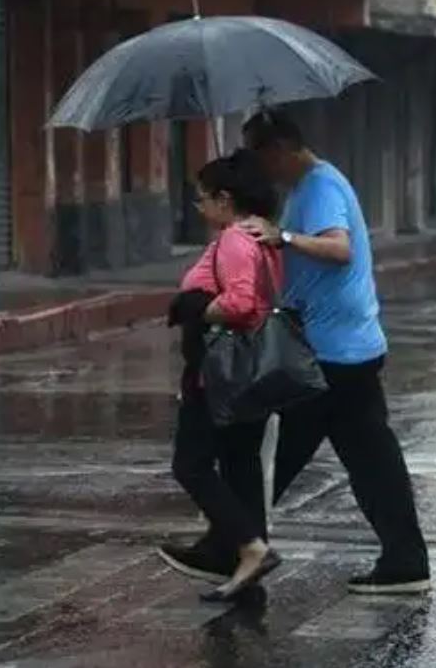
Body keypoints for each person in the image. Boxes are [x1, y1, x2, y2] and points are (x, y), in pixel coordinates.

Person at [240, 112, 431, 594]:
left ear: (279, 148)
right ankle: (405, 562)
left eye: (260, 159)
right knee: (370, 461)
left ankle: (235, 542)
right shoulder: (308, 188)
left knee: (271, 450)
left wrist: (281, 236)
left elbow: (338, 248)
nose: (262, 172)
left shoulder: (320, 185)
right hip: (344, 349)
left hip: (332, 354)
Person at [158, 151, 285, 601]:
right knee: (240, 464)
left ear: (224, 199)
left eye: (202, 198)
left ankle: (249, 546)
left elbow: (241, 303)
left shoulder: (235, 239)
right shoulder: (262, 240)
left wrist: (192, 308)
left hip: (220, 374)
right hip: (254, 372)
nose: (198, 207)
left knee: (190, 464)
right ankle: (239, 557)